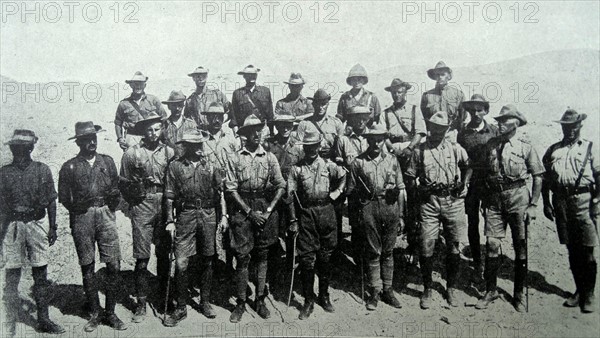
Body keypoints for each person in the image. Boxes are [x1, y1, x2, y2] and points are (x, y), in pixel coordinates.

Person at [58, 122, 125, 332]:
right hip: (82, 217)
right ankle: (95, 313)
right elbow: (63, 197)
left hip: (105, 214)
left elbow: (116, 187)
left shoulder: (107, 161)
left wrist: (111, 204)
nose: (92, 142)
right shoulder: (69, 167)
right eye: (86, 139)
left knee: (113, 264)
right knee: (87, 265)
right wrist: (80, 209)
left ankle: (111, 312)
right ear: (78, 142)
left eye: (94, 138)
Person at [475, 105, 543, 312]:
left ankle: (519, 294)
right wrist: (484, 200)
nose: (500, 123)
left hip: (518, 197)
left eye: (505, 120)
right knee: (492, 244)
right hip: (495, 199)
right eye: (500, 120)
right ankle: (491, 290)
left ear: (516, 123)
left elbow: (538, 176)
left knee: (520, 244)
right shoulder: (491, 145)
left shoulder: (525, 147)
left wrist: (533, 205)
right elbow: (485, 174)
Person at [404, 111, 472, 309]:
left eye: (441, 129)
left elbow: (468, 166)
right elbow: (409, 176)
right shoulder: (420, 151)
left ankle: (451, 288)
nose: (437, 132)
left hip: (453, 200)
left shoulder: (455, 148)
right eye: (434, 128)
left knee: (453, 245)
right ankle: (427, 288)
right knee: (426, 245)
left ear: (447, 129)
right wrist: (419, 189)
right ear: (429, 128)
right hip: (429, 202)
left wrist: (464, 183)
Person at [0, 130, 65, 335]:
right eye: (15, 147)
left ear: (31, 148)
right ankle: (9, 320)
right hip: (13, 225)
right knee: (12, 273)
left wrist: (53, 226)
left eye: (23, 147)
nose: (18, 151)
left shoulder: (42, 170)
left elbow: (51, 200)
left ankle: (44, 319)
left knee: (40, 272)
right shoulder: (4, 173)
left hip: (36, 223)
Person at [162, 129, 228, 326]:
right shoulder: (174, 167)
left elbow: (221, 192)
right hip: (186, 215)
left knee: (208, 258)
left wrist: (224, 215)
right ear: (188, 147)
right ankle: (181, 307)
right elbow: (169, 196)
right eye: (196, 145)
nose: (201, 148)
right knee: (181, 262)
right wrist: (169, 220)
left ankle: (205, 301)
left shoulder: (212, 165)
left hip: (208, 214)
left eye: (201, 144)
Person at [225, 114, 286, 323]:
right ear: (244, 135)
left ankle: (260, 299)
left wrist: (268, 211)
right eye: (253, 131)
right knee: (242, 256)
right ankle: (241, 302)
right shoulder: (235, 158)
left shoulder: (270, 157)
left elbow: (281, 185)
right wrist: (249, 212)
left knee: (262, 254)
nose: (257, 134)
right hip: (242, 208)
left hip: (263, 205)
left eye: (260, 130)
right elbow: (231, 188)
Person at [542, 109, 599, 313]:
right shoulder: (553, 150)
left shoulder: (590, 148)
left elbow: (599, 175)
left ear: (580, 126)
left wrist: (596, 201)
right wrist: (546, 203)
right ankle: (578, 291)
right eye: (566, 126)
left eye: (574, 126)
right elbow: (545, 179)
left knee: (587, 250)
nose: (570, 130)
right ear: (562, 127)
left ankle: (589, 294)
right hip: (561, 202)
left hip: (584, 201)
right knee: (572, 250)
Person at [119, 114, 175, 323]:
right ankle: (141, 303)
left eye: (157, 129)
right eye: (149, 130)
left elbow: (174, 180)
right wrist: (136, 198)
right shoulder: (132, 153)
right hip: (142, 205)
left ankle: (163, 299)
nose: (153, 133)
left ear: (162, 130)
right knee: (142, 258)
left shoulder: (169, 152)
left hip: (164, 202)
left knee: (163, 253)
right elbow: (123, 183)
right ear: (144, 131)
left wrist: (171, 211)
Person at [287, 125, 346, 319]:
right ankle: (308, 300)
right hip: (306, 213)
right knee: (306, 258)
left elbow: (344, 175)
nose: (311, 150)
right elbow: (290, 195)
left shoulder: (328, 165)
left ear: (319, 146)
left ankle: (324, 296)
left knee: (325, 256)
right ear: (304, 148)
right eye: (308, 146)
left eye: (314, 146)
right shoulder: (296, 169)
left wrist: (336, 193)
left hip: (326, 211)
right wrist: (294, 219)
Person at [347, 123, 404, 310]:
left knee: (388, 251)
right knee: (373, 252)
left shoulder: (393, 160)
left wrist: (401, 215)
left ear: (383, 140)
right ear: (367, 140)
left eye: (379, 139)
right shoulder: (358, 162)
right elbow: (352, 192)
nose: (376, 143)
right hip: (368, 208)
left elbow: (401, 189)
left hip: (390, 207)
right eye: (372, 139)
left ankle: (388, 289)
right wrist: (356, 217)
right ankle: (375, 291)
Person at [456, 94, 499, 279]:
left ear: (486, 111)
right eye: (472, 110)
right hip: (472, 183)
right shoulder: (463, 133)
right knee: (472, 223)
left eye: (479, 110)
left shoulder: (494, 131)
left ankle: (492, 262)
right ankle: (476, 263)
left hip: (489, 183)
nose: (475, 113)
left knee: (492, 221)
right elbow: (460, 161)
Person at [114, 71, 167, 150]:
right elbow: (118, 123)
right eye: (135, 84)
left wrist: (161, 136)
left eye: (141, 84)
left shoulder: (153, 100)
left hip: (151, 136)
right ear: (131, 85)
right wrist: (120, 138)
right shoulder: (124, 104)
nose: (138, 87)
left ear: (145, 85)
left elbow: (164, 118)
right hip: (132, 137)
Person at [420, 61, 465, 141]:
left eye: (443, 74)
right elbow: (424, 116)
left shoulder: (458, 94)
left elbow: (462, 117)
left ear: (448, 76)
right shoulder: (427, 96)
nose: (440, 77)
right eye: (437, 75)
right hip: (433, 135)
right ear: (434, 76)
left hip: (451, 134)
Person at [230, 65, 274, 135]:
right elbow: (234, 116)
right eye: (249, 75)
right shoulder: (237, 93)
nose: (252, 77)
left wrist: (271, 132)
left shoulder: (265, 91)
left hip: (262, 131)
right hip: (244, 130)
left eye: (254, 74)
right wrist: (236, 134)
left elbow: (270, 115)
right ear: (244, 76)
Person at [336, 64, 382, 129]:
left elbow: (378, 118)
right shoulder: (345, 98)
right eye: (354, 79)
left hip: (368, 133)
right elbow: (340, 119)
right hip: (350, 134)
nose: (357, 82)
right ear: (350, 81)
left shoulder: (372, 97)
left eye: (359, 79)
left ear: (363, 80)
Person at [161, 90, 198, 158]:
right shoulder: (164, 125)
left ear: (183, 106)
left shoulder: (191, 125)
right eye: (174, 105)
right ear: (169, 106)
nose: (177, 108)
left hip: (186, 163)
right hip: (169, 162)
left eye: (180, 105)